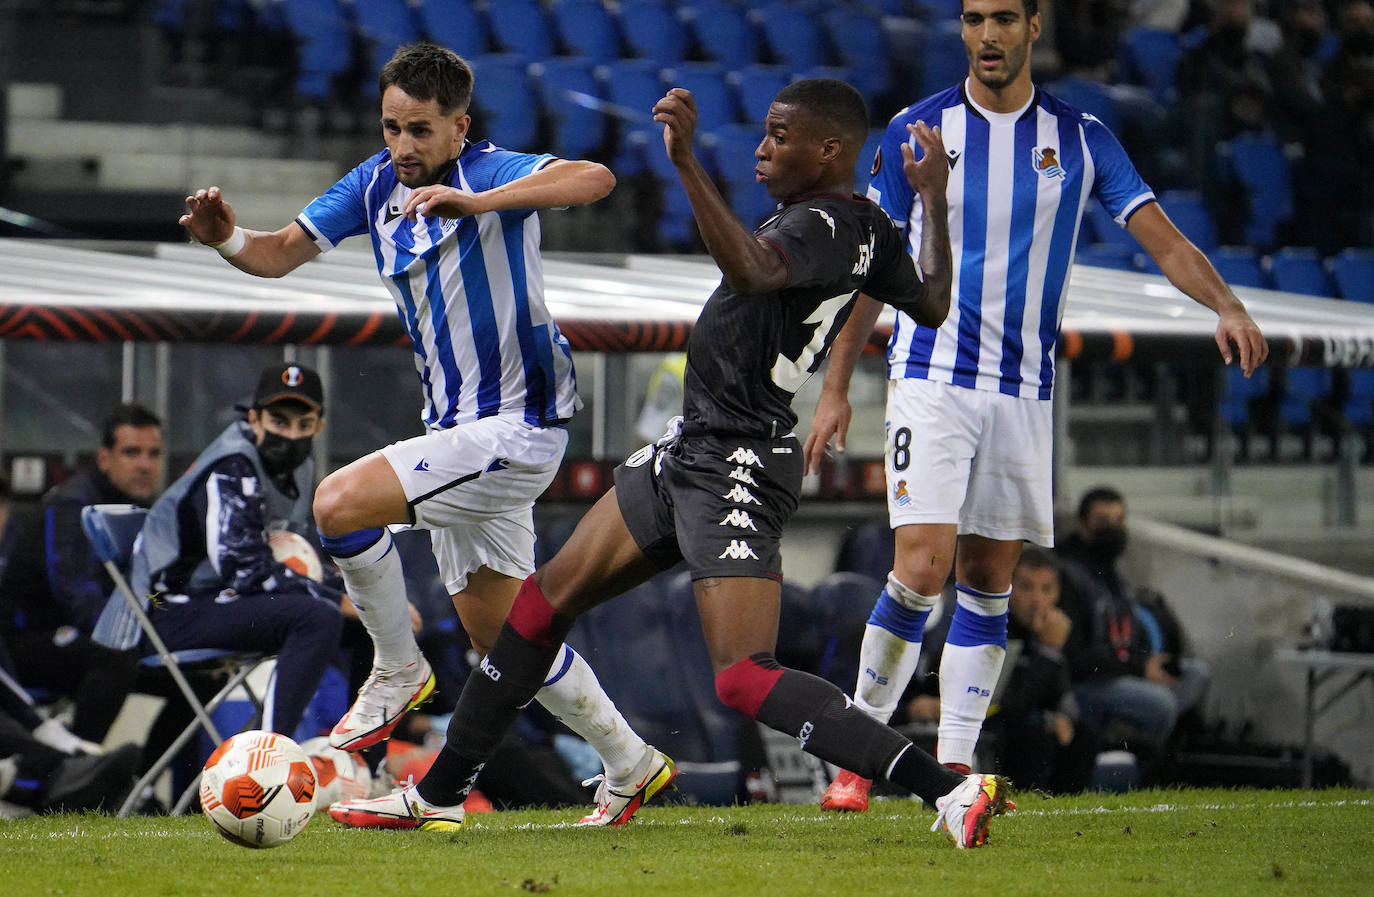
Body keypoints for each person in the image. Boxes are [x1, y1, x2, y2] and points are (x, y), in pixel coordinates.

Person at [332, 78, 1013, 849]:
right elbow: (930, 303)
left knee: (741, 674)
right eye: (763, 131)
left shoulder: (821, 222)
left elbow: (756, 270)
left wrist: (688, 162)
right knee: (540, 603)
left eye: (779, 136)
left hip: (739, 465)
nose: (760, 147)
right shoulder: (870, 227)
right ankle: (444, 791)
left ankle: (948, 789)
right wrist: (929, 203)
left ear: (830, 150)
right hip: (692, 448)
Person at [177, 42, 660, 826]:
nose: (403, 145)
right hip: (457, 431)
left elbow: (595, 178)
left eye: (421, 130)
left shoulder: (494, 171)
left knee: (337, 505)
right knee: (503, 634)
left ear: (459, 127)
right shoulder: (372, 183)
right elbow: (275, 256)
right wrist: (227, 237)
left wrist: (480, 205)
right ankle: (632, 761)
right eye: (392, 126)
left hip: (519, 426)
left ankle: (398, 668)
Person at [805, 0, 1267, 813]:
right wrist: (836, 386)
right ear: (962, 28)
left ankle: (950, 773)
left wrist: (1224, 304)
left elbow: (1159, 236)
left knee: (988, 582)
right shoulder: (919, 129)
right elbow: (872, 268)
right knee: (918, 566)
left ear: (1035, 26)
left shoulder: (1083, 138)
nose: (988, 35)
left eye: (1005, 19)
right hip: (933, 374)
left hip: (1024, 392)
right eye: (974, 18)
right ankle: (854, 758)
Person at [122, 362, 343, 743]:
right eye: (279, 421)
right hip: (162, 611)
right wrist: (337, 600)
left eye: (303, 425)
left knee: (361, 623)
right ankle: (267, 759)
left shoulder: (301, 470)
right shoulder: (231, 464)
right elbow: (246, 569)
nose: (291, 435)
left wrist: (367, 601)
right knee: (317, 616)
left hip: (217, 601)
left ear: (319, 426)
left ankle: (361, 759)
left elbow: (298, 553)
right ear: (255, 419)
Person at [0, 403, 164, 743]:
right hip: (25, 643)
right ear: (104, 459)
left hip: (87, 638)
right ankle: (75, 778)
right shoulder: (73, 506)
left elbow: (154, 588)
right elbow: (80, 601)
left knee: (198, 676)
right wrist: (153, 633)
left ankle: (145, 785)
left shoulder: (145, 509)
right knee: (117, 654)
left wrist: (170, 626)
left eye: (153, 453)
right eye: (132, 452)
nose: (145, 464)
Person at [1056, 487, 1209, 778]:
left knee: (1195, 674)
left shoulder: (1112, 572)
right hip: (1085, 685)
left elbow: (1126, 636)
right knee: (1161, 704)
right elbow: (1075, 658)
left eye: (1119, 520)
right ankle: (1144, 769)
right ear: (1082, 524)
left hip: (1122, 673)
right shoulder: (1068, 574)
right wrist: (1140, 669)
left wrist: (1148, 664)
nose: (1113, 529)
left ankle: (1132, 748)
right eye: (1103, 521)